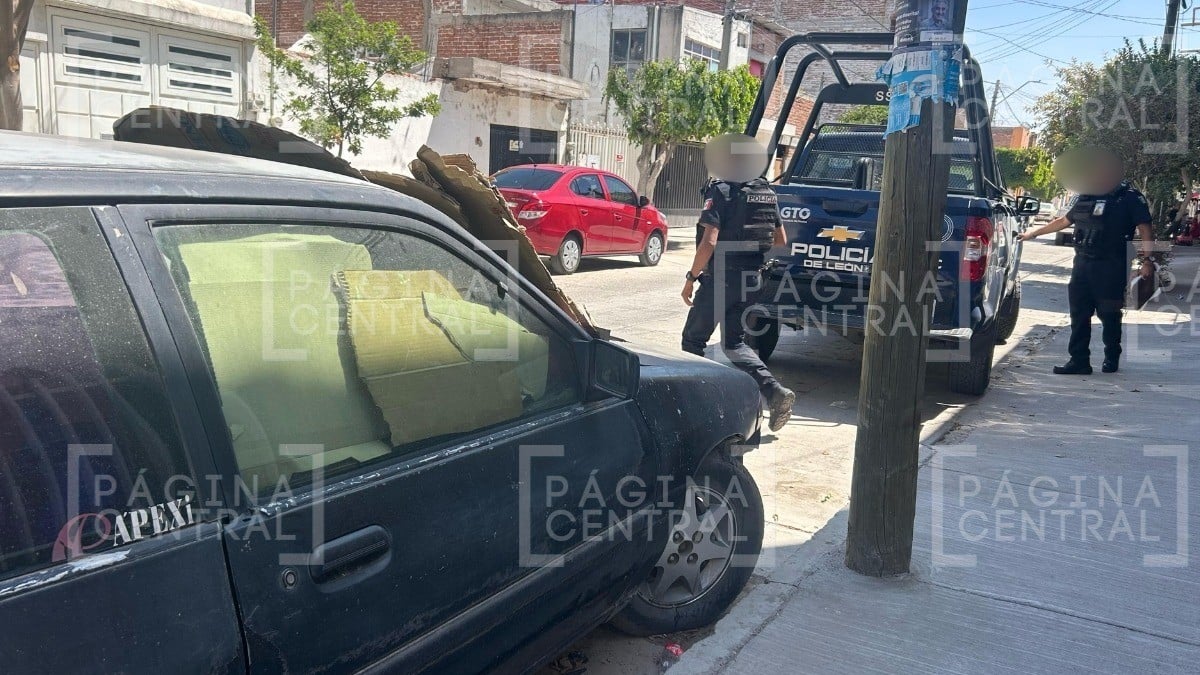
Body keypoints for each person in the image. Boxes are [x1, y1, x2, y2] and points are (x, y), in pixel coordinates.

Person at [681, 135, 795, 432]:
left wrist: (691, 277)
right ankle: (775, 392)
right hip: (752, 278)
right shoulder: (767, 193)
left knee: (692, 342)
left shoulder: (722, 191)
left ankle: (693, 407)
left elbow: (709, 241)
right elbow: (780, 240)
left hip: (722, 278)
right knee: (734, 344)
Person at [1018, 149, 1153, 375]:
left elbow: (1146, 230)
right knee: (1079, 313)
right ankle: (1079, 360)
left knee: (1108, 313)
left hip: (1112, 265)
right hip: (1082, 263)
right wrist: (1033, 234)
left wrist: (1147, 260)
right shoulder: (1086, 195)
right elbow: (1064, 220)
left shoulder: (1130, 198)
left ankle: (1112, 354)